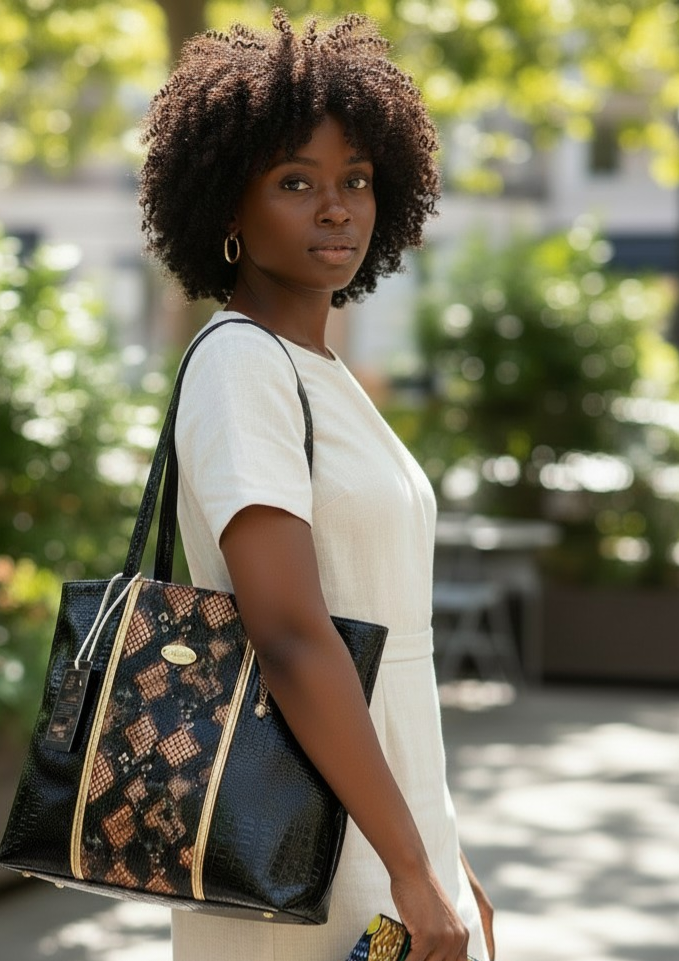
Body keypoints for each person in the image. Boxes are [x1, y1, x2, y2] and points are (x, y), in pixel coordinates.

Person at [139, 10, 495, 961]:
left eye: (356, 180)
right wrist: (416, 873)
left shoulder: (317, 370)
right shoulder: (240, 366)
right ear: (225, 204)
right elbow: (292, 633)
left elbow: (383, 641)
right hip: (297, 853)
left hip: (386, 831)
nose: (336, 207)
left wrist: (444, 858)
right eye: (295, 182)